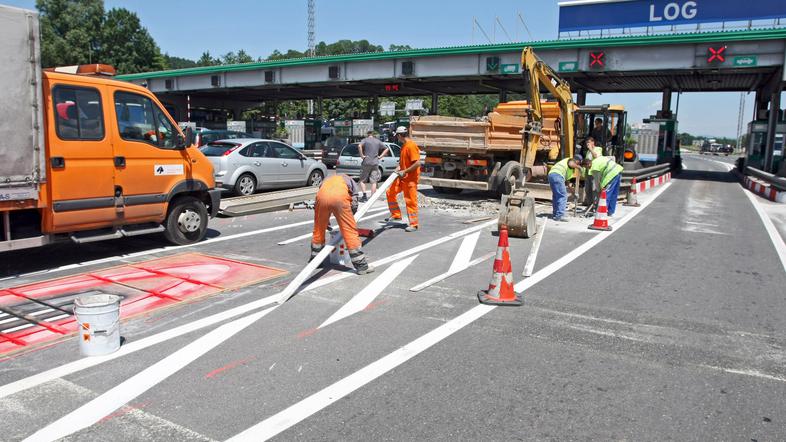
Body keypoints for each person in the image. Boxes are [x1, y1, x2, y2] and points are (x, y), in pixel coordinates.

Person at [310, 174, 373, 274]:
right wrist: (350, 216)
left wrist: (324, 220)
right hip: (340, 198)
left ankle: (315, 260)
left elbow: (324, 197)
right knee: (349, 231)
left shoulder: (327, 179)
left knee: (318, 229)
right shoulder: (350, 181)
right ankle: (361, 266)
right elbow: (354, 203)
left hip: (321, 198)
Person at [385, 126, 421, 232]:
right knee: (390, 192)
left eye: (397, 136)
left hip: (410, 179)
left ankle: (414, 224)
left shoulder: (411, 146)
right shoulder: (404, 146)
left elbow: (417, 163)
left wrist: (404, 171)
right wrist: (398, 169)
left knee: (410, 201)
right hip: (402, 178)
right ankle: (396, 215)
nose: (397, 138)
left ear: (400, 135)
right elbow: (403, 163)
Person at [548, 155, 586, 222]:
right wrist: (579, 167)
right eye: (579, 163)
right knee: (563, 196)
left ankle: (555, 214)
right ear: (577, 161)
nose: (578, 164)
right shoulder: (570, 160)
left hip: (551, 175)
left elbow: (568, 184)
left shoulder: (570, 170)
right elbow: (571, 163)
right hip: (557, 175)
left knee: (556, 196)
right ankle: (560, 215)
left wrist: (573, 194)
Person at [357, 131, 389, 202]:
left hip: (366, 162)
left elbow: (359, 146)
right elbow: (386, 149)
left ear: (367, 135)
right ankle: (372, 198)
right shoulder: (378, 141)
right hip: (375, 163)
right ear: (373, 135)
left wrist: (362, 155)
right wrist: (380, 156)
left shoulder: (365, 140)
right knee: (374, 181)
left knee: (362, 180)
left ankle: (364, 197)